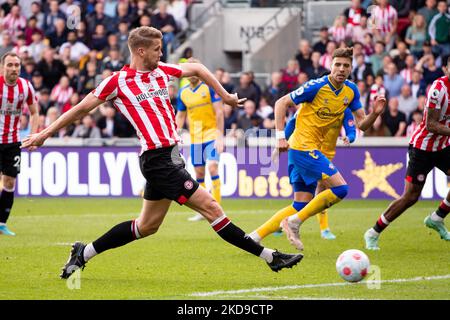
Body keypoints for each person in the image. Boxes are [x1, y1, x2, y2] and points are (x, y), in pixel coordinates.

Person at [22, 26, 303, 278]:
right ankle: (271, 257)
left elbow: (199, 70)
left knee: (147, 226)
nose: (162, 53)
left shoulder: (162, 71)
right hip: (157, 161)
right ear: (140, 50)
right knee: (212, 208)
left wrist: (226, 96)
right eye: (157, 49)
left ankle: (83, 253)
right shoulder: (118, 82)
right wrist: (45, 133)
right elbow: (81, 108)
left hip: (170, 157)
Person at [261, 47, 386, 251]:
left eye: (346, 65)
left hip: (319, 152)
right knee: (340, 189)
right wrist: (280, 139)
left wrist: (375, 113)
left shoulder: (349, 92)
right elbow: (283, 105)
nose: (341, 69)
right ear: (330, 65)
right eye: (338, 64)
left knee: (301, 203)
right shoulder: (316, 88)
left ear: (351, 68)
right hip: (303, 149)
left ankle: (255, 237)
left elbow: (361, 124)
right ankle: (296, 223)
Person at [364, 57, 450, 250]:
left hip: (443, 146)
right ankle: (373, 232)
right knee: (410, 197)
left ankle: (437, 218)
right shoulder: (438, 89)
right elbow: (431, 124)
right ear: (445, 69)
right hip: (422, 147)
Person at [249, 106, 356, 244]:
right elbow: (293, 122)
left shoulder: (343, 105)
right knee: (337, 189)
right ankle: (316, 227)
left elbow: (352, 128)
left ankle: (255, 236)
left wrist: (350, 137)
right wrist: (279, 144)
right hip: (307, 152)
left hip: (313, 154)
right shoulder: (313, 100)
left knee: (300, 205)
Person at [176, 58, 224, 222]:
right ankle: (204, 210)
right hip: (195, 138)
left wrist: (220, 135)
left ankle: (217, 207)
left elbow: (219, 112)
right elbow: (181, 115)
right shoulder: (183, 93)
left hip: (211, 135)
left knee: (212, 168)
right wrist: (175, 135)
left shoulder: (209, 88)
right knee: (199, 173)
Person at [0, 52, 39, 236]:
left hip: (12, 142)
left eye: (17, 65)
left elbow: (34, 113)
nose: (14, 68)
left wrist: (33, 135)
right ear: (3, 67)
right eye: (10, 65)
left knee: (9, 181)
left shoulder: (26, 86)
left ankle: (1, 223)